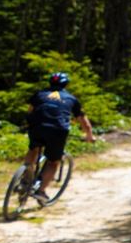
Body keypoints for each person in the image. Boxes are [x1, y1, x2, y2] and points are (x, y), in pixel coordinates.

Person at [22, 71, 95, 203]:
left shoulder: (39, 94)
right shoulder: (71, 99)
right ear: (66, 84)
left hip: (37, 126)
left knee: (34, 149)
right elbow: (83, 121)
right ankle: (41, 191)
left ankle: (25, 178)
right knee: (53, 162)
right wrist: (89, 136)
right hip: (58, 130)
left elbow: (30, 111)